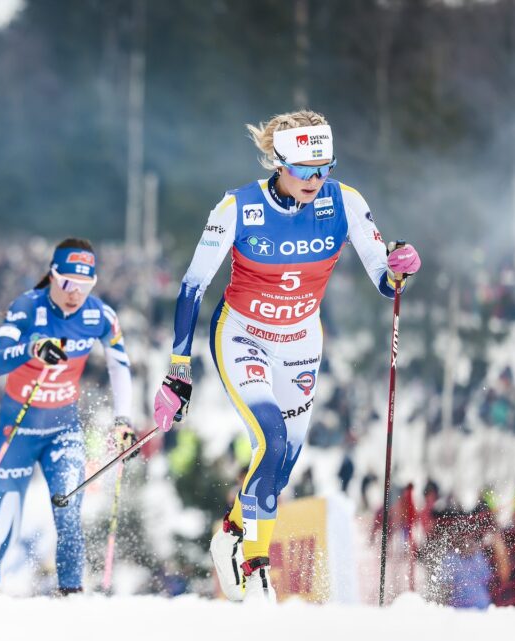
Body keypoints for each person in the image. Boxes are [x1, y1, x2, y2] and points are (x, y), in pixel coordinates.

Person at [152, 110, 422, 603]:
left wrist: (399, 268)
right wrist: (177, 370)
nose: (315, 180)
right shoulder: (237, 207)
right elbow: (192, 286)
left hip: (300, 343)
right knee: (271, 440)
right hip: (242, 337)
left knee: (281, 465)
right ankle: (257, 569)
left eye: (324, 168)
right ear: (279, 163)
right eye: (304, 170)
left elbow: (386, 281)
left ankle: (230, 534)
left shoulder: (345, 202)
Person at [0, 238, 134, 594]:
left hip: (63, 429)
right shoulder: (27, 306)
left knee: (68, 510)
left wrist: (123, 419)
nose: (75, 293)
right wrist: (33, 348)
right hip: (17, 430)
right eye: (67, 283)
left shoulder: (100, 316)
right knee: (4, 526)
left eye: (85, 285)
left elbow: (120, 367)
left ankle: (71, 594)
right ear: (52, 275)